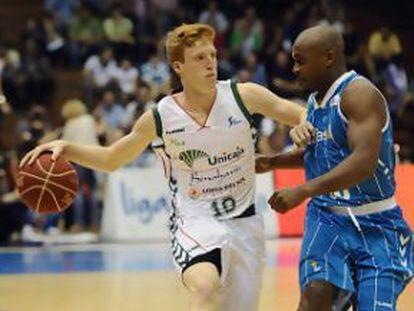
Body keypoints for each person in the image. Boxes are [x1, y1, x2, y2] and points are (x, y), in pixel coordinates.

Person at [21, 23, 307, 311]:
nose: (210, 63)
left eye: (212, 55)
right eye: (199, 58)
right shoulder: (160, 117)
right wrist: (67, 149)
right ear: (178, 66)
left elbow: (301, 114)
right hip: (195, 222)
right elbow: (112, 159)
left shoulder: (245, 96)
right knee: (205, 288)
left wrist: (304, 125)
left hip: (246, 224)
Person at [256, 25, 413, 310]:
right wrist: (271, 162)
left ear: (328, 58)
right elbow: (323, 154)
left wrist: (302, 190)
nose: (294, 69)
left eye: (300, 60)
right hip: (327, 220)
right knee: (315, 297)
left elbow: (362, 163)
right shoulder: (316, 100)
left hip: (377, 222)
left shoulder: (360, 94)